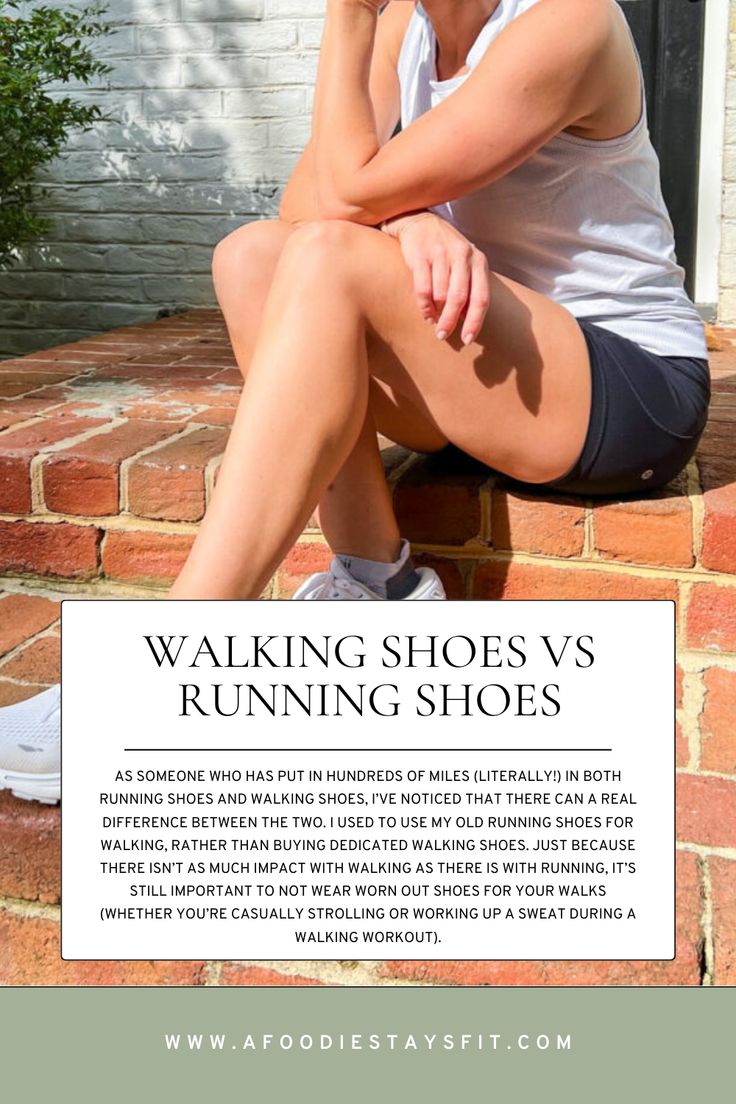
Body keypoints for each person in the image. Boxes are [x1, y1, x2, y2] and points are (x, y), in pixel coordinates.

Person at [0, 0, 710, 802]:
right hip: (485, 356)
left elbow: (344, 205)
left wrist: (376, 193)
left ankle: (150, 680)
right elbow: (308, 198)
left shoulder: (569, 22)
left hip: (626, 385)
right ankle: (384, 584)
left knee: (332, 256)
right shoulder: (401, 26)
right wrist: (409, 219)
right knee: (254, 258)